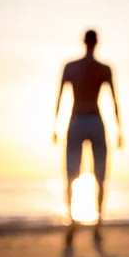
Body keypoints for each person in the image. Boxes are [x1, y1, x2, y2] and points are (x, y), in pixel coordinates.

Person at [52, 29, 123, 244]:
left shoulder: (78, 67)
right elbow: (114, 101)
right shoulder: (93, 68)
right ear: (95, 42)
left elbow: (112, 99)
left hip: (84, 120)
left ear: (84, 42)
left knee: (82, 173)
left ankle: (85, 221)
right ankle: (86, 222)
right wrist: (119, 129)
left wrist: (55, 125)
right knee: (84, 173)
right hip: (87, 120)